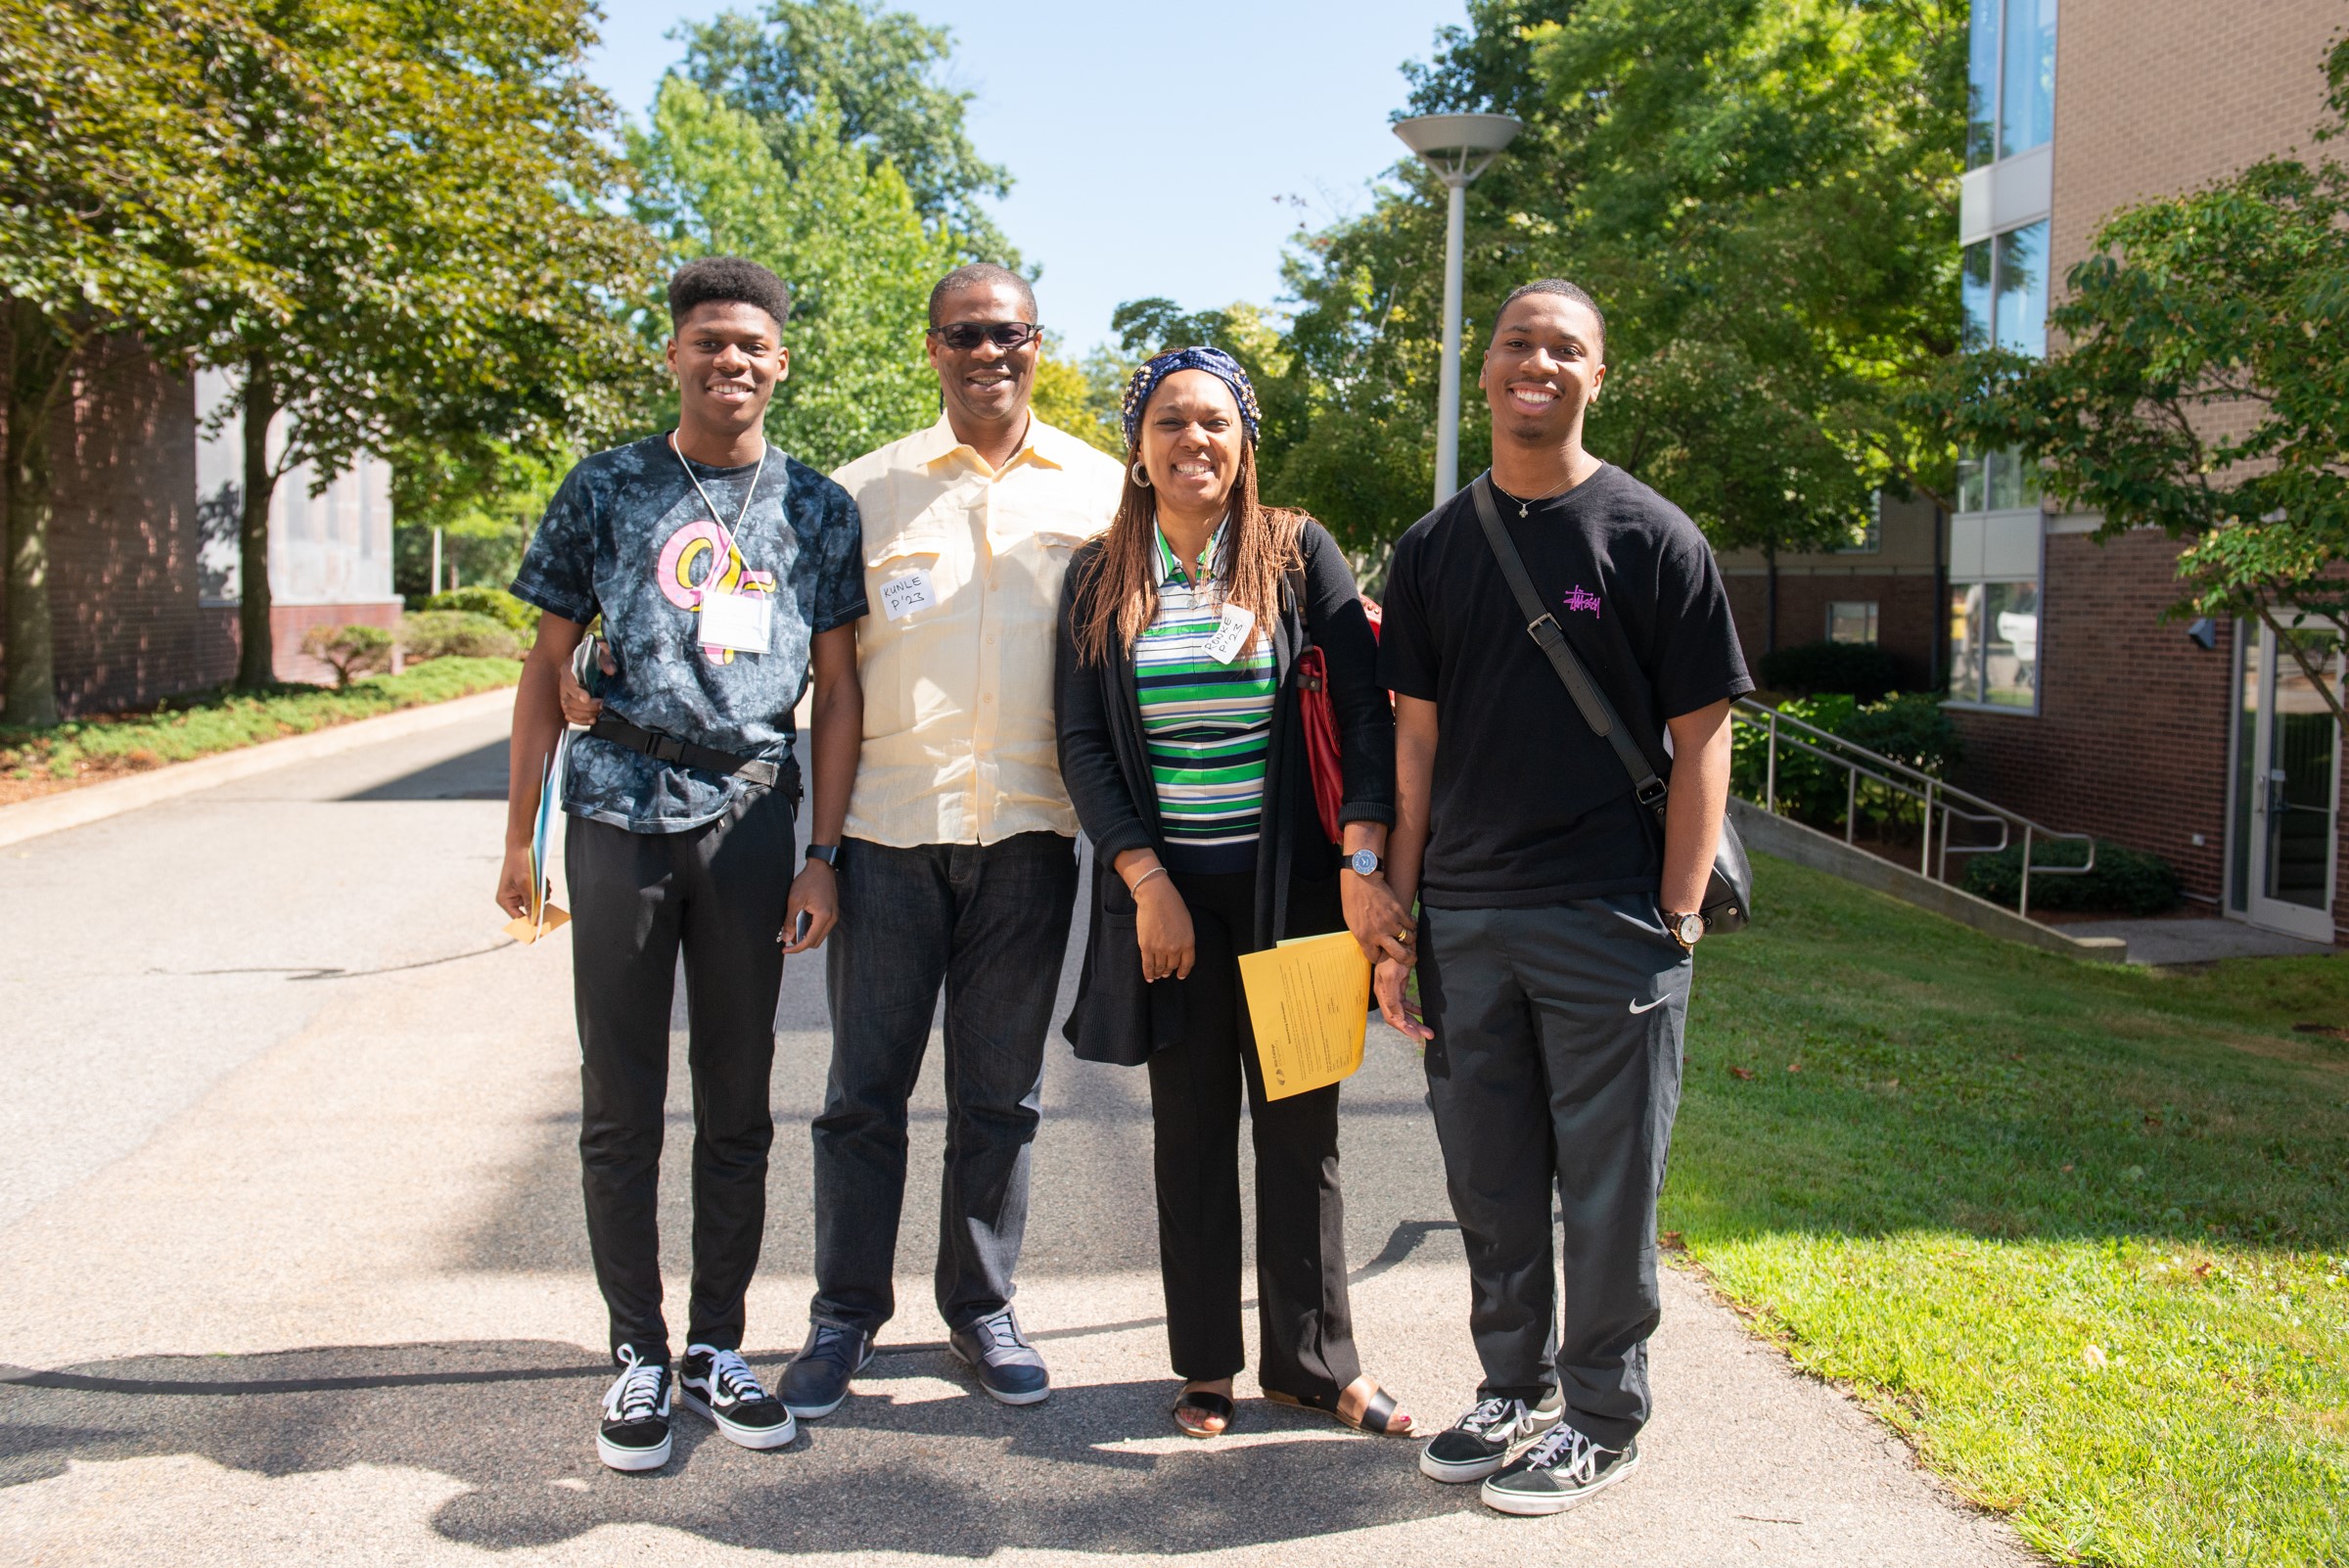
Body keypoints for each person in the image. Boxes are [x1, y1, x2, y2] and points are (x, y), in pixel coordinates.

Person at [561, 262, 1124, 1417]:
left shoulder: (1106, 494)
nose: (987, 353)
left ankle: (982, 1308)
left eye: (1008, 333)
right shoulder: (859, 495)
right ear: (933, 348)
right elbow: (765, 641)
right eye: (964, 334)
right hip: (883, 836)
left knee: (1000, 1097)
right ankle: (842, 1316)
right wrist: (598, 667)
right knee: (861, 1094)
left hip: (1029, 832)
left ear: (1036, 342)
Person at [1372, 279, 1749, 1515]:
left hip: (1609, 919)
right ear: (1485, 368)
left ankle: (1603, 1413)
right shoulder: (1432, 551)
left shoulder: (1651, 537)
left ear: (1600, 375)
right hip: (1469, 920)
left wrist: (1678, 913)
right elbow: (1412, 749)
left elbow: (1702, 740)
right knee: (1489, 1175)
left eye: (1565, 348)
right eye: (1518, 343)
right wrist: (1400, 911)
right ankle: (1512, 1385)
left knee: (1605, 1183)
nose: (1538, 363)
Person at [500, 255, 866, 1473]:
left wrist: (822, 851)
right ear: (673, 354)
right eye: (709, 341)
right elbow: (542, 667)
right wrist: (521, 837)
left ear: (780, 362)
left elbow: (840, 690)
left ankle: (718, 1345)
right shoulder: (606, 489)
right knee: (619, 1098)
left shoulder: (815, 507)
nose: (732, 361)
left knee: (740, 1095)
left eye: (752, 344)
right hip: (616, 816)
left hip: (755, 820)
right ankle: (637, 1354)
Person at [1055, 346, 1417, 1440]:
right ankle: (1206, 1364)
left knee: (1303, 1135)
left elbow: (1364, 714)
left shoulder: (1296, 552)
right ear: (1138, 445)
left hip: (1296, 898)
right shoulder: (1099, 576)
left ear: (1244, 439)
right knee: (1192, 1133)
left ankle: (1314, 1364)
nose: (1193, 440)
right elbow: (1082, 746)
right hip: (1173, 909)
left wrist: (1362, 863)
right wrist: (1146, 880)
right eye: (1169, 421)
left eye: (1214, 420)